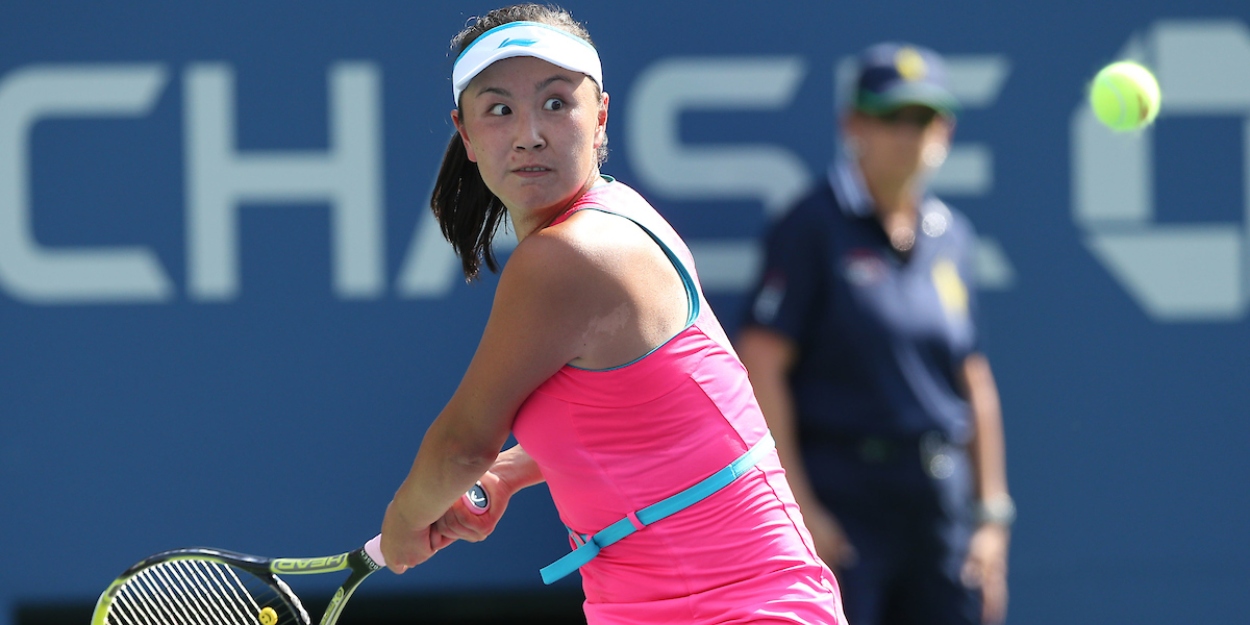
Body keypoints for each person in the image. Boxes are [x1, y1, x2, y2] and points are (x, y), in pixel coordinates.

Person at [377, 5, 844, 623]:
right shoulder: (624, 213)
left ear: (599, 117)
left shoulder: (568, 257)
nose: (529, 135)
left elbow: (462, 447)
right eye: (499, 110)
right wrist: (512, 473)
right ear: (465, 135)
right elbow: (648, 422)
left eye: (554, 103)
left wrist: (404, 522)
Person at [736, 43, 1013, 625]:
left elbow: (972, 377)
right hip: (846, 499)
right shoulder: (810, 225)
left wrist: (991, 517)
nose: (908, 134)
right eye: (891, 117)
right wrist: (801, 508)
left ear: (946, 130)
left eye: (925, 118)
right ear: (853, 124)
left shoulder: (952, 235)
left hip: (940, 504)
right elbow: (760, 364)